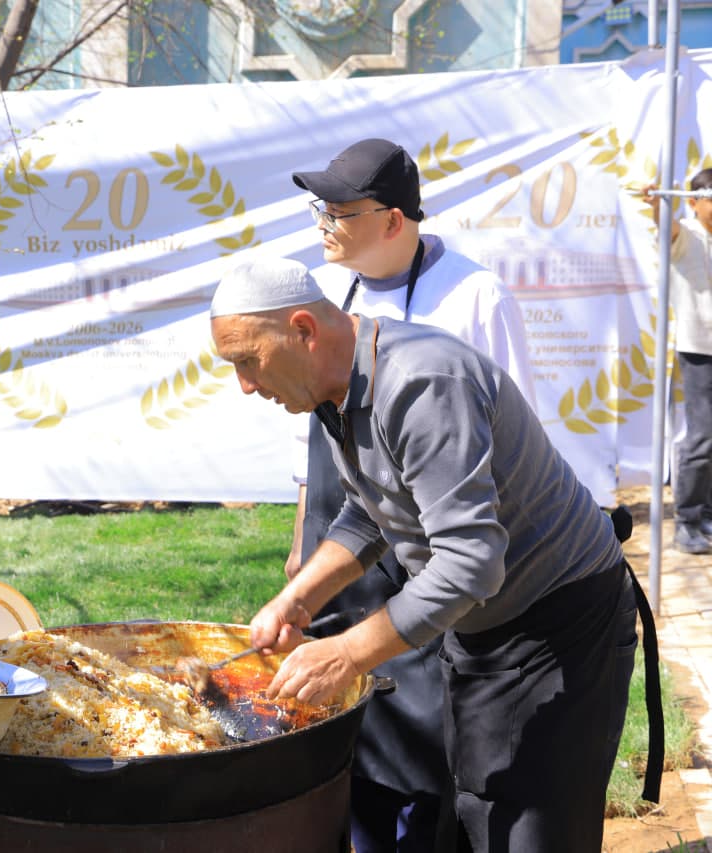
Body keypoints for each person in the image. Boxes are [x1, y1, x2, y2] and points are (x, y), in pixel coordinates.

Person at [209, 256, 655, 851]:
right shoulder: (333, 386)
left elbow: (471, 561)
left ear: (303, 330)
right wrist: (298, 599)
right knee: (477, 811)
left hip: (561, 623)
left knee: (533, 831)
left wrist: (347, 652)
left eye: (247, 360)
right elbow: (370, 511)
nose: (245, 383)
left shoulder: (422, 382)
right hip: (485, 625)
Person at [285, 137, 535, 851]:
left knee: (427, 720)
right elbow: (314, 436)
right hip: (352, 528)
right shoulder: (323, 293)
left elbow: (518, 436)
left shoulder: (475, 294)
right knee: (347, 712)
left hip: (443, 547)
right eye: (318, 209)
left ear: (394, 221)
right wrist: (305, 543)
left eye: (339, 211)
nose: (323, 224)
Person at [644, 174, 712, 554]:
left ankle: (706, 514)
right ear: (694, 201)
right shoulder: (684, 233)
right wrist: (656, 202)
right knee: (701, 439)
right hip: (699, 350)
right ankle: (686, 521)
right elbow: (665, 226)